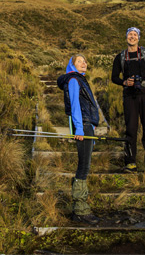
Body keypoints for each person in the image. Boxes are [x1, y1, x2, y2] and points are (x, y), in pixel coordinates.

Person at [56, 55, 104, 221]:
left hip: (87, 125)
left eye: (84, 61)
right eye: (79, 61)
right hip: (82, 125)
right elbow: (75, 105)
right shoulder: (74, 80)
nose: (84, 63)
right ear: (72, 65)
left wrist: (93, 124)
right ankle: (80, 209)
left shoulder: (80, 80)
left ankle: (79, 207)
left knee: (85, 164)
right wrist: (79, 128)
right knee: (83, 165)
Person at [110, 26, 145, 171]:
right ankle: (130, 162)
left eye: (134, 34)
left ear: (138, 38)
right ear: (126, 37)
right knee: (131, 129)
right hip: (129, 96)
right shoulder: (120, 57)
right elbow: (114, 77)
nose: (132, 37)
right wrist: (124, 82)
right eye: (129, 34)